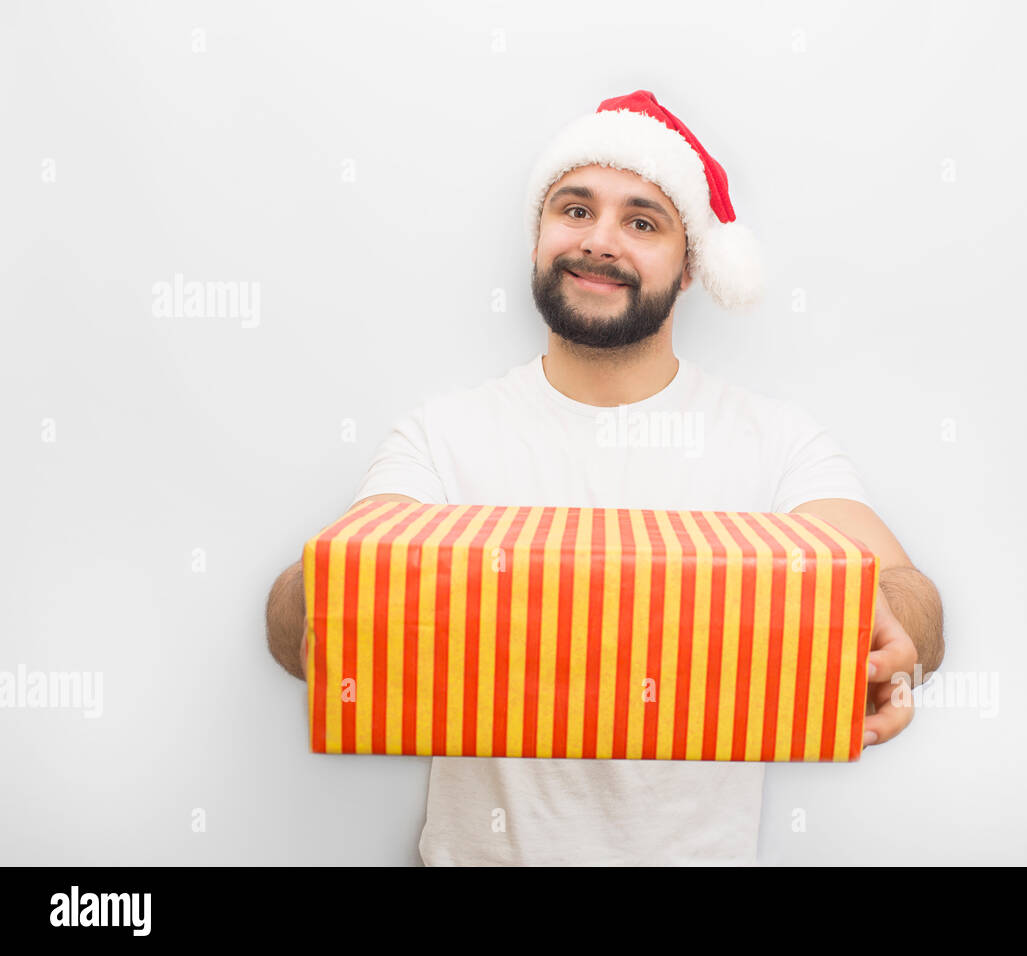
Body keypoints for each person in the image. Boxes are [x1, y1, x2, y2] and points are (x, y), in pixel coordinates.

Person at [266, 90, 943, 866]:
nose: (601, 241)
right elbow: (303, 624)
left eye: (643, 221)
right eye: (575, 210)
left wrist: (892, 634)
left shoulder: (775, 441)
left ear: (690, 269)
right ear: (537, 238)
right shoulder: (443, 433)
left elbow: (903, 591)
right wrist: (324, 594)